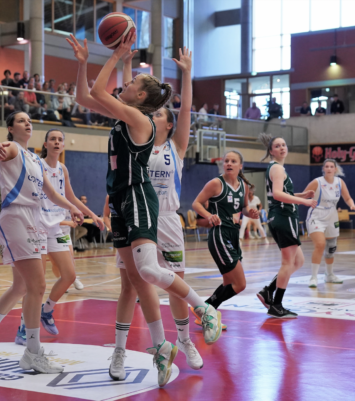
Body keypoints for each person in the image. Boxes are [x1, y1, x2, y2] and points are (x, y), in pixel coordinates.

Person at [67, 32, 222, 388]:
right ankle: (158, 347)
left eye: (133, 82)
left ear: (142, 99)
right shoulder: (125, 116)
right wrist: (83, 64)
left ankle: (202, 310)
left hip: (143, 200)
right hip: (122, 200)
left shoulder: (143, 123)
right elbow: (83, 96)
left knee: (151, 272)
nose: (127, 83)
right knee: (134, 281)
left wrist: (114, 57)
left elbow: (102, 92)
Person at [113, 46, 205, 372]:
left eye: (160, 115)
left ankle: (185, 341)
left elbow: (186, 108)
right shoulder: (136, 140)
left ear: (169, 124)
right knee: (130, 286)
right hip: (136, 214)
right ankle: (120, 351)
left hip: (166, 219)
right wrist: (125, 65)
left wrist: (186, 73)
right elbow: (129, 103)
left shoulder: (177, 147)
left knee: (175, 285)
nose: (153, 117)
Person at [0, 111, 84, 374]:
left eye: (29, 121)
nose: (27, 123)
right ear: (11, 128)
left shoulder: (34, 158)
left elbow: (51, 193)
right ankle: (33, 352)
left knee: (21, 286)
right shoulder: (11, 148)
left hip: (35, 218)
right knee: (38, 285)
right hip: (16, 216)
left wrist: (72, 207)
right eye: (21, 121)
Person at [15, 129, 103, 344]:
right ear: (45, 144)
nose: (56, 142)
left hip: (57, 229)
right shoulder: (38, 165)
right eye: (52, 139)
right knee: (36, 284)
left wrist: (91, 214)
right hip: (38, 227)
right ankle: (24, 327)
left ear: (63, 145)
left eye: (60, 139)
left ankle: (46, 310)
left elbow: (69, 196)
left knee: (69, 275)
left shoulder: (62, 168)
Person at [256, 133, 317, 318]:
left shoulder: (276, 168)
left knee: (298, 261)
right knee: (288, 263)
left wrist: (301, 195)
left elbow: (281, 193)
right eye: (277, 146)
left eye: (284, 144)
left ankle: (268, 291)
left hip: (280, 216)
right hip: (284, 217)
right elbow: (278, 194)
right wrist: (304, 202)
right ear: (271, 151)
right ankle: (276, 304)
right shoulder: (277, 169)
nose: (282, 147)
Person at [193, 151, 258, 317]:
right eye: (226, 160)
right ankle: (205, 309)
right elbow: (196, 203)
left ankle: (206, 313)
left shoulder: (243, 186)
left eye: (233, 161)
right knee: (240, 284)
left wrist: (250, 212)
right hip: (220, 235)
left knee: (228, 283)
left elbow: (243, 208)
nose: (229, 163)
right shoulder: (216, 183)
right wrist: (209, 215)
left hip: (233, 235)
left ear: (240, 166)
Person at [303, 159, 355, 288]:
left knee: (331, 247)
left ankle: (329, 275)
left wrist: (352, 205)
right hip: (316, 215)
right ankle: (313, 277)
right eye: (327, 166)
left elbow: (347, 198)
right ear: (323, 169)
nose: (329, 168)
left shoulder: (339, 182)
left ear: (335, 169)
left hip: (332, 216)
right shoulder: (317, 182)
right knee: (320, 244)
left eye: (331, 166)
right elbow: (303, 195)